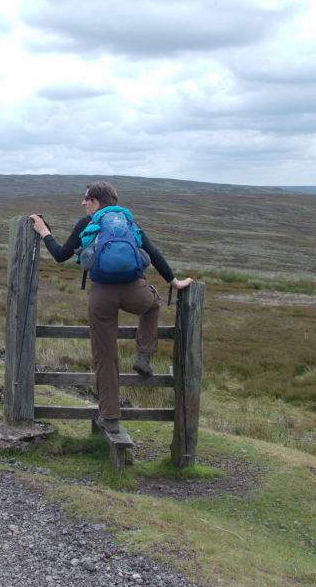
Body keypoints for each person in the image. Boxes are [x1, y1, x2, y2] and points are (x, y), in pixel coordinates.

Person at [29, 182, 193, 435]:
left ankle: (110, 417)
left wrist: (43, 231)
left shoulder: (89, 223)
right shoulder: (128, 222)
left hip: (101, 296)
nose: (83, 203)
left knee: (105, 357)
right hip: (135, 291)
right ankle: (144, 355)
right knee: (153, 303)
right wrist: (174, 282)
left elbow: (61, 255)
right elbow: (154, 254)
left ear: (96, 201)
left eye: (86, 199)